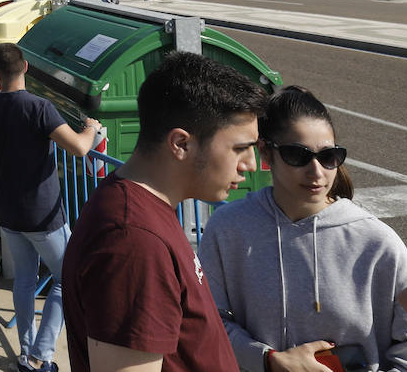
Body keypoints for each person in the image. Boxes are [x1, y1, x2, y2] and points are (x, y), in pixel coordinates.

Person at [62, 52, 267, 372]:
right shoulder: (133, 241)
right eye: (240, 148)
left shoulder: (143, 212)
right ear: (181, 144)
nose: (250, 165)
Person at [199, 86, 407, 372]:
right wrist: (268, 361)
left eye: (329, 156)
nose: (317, 172)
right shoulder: (227, 229)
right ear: (265, 153)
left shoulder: (380, 244)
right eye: (298, 155)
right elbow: (208, 323)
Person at [0, 43, 102, 372]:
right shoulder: (39, 107)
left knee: (25, 281)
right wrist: (91, 127)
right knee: (68, 277)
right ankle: (40, 355)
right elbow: (78, 149)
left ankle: (25, 355)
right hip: (43, 214)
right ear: (26, 67)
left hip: (8, 209)